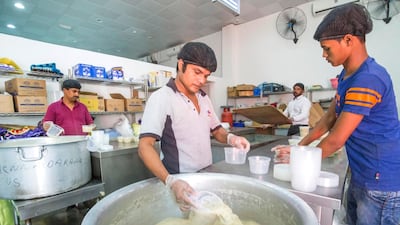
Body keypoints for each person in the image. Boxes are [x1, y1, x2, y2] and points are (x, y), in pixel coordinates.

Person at [275, 3, 400, 225]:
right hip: (361, 174)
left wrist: (297, 161)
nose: (323, 55)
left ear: (349, 40)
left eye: (327, 48)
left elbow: (335, 140)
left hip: (381, 184)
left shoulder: (368, 78)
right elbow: (328, 120)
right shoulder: (346, 76)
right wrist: (300, 147)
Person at [138, 42, 250, 210]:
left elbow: (216, 130)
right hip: (180, 182)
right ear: (181, 64)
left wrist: (231, 138)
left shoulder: (204, 98)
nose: (202, 80)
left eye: (206, 75)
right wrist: (171, 182)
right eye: (197, 72)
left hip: (206, 176)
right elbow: (144, 146)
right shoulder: (162, 98)